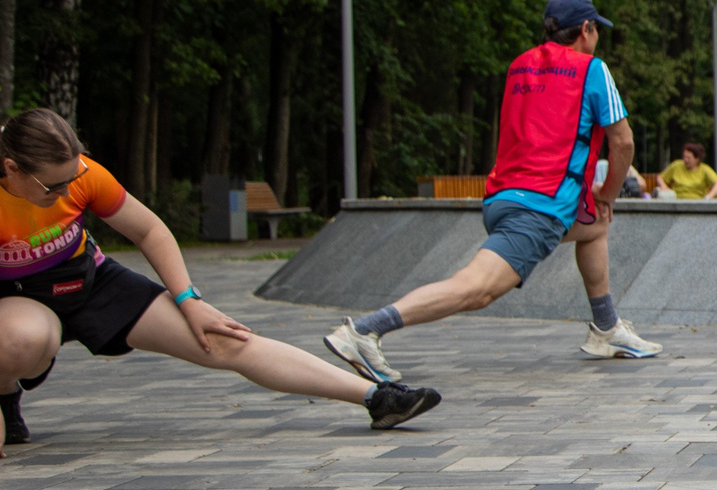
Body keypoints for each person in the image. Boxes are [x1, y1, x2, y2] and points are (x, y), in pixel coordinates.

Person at [0, 108, 438, 453]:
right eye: (53, 188)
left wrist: (189, 299)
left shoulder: (79, 173)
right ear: (12, 169)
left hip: (85, 280)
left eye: (72, 179)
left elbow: (149, 230)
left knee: (220, 337)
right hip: (17, 298)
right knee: (25, 341)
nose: (66, 193)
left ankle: (378, 398)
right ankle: (6, 391)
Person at [322, 0, 661, 378]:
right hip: (539, 205)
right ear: (585, 29)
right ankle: (365, 332)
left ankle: (606, 327)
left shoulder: (520, 66)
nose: (597, 36)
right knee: (475, 289)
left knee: (596, 225)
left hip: (501, 197)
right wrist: (608, 193)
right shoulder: (592, 70)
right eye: (596, 28)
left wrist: (597, 204)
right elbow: (623, 141)